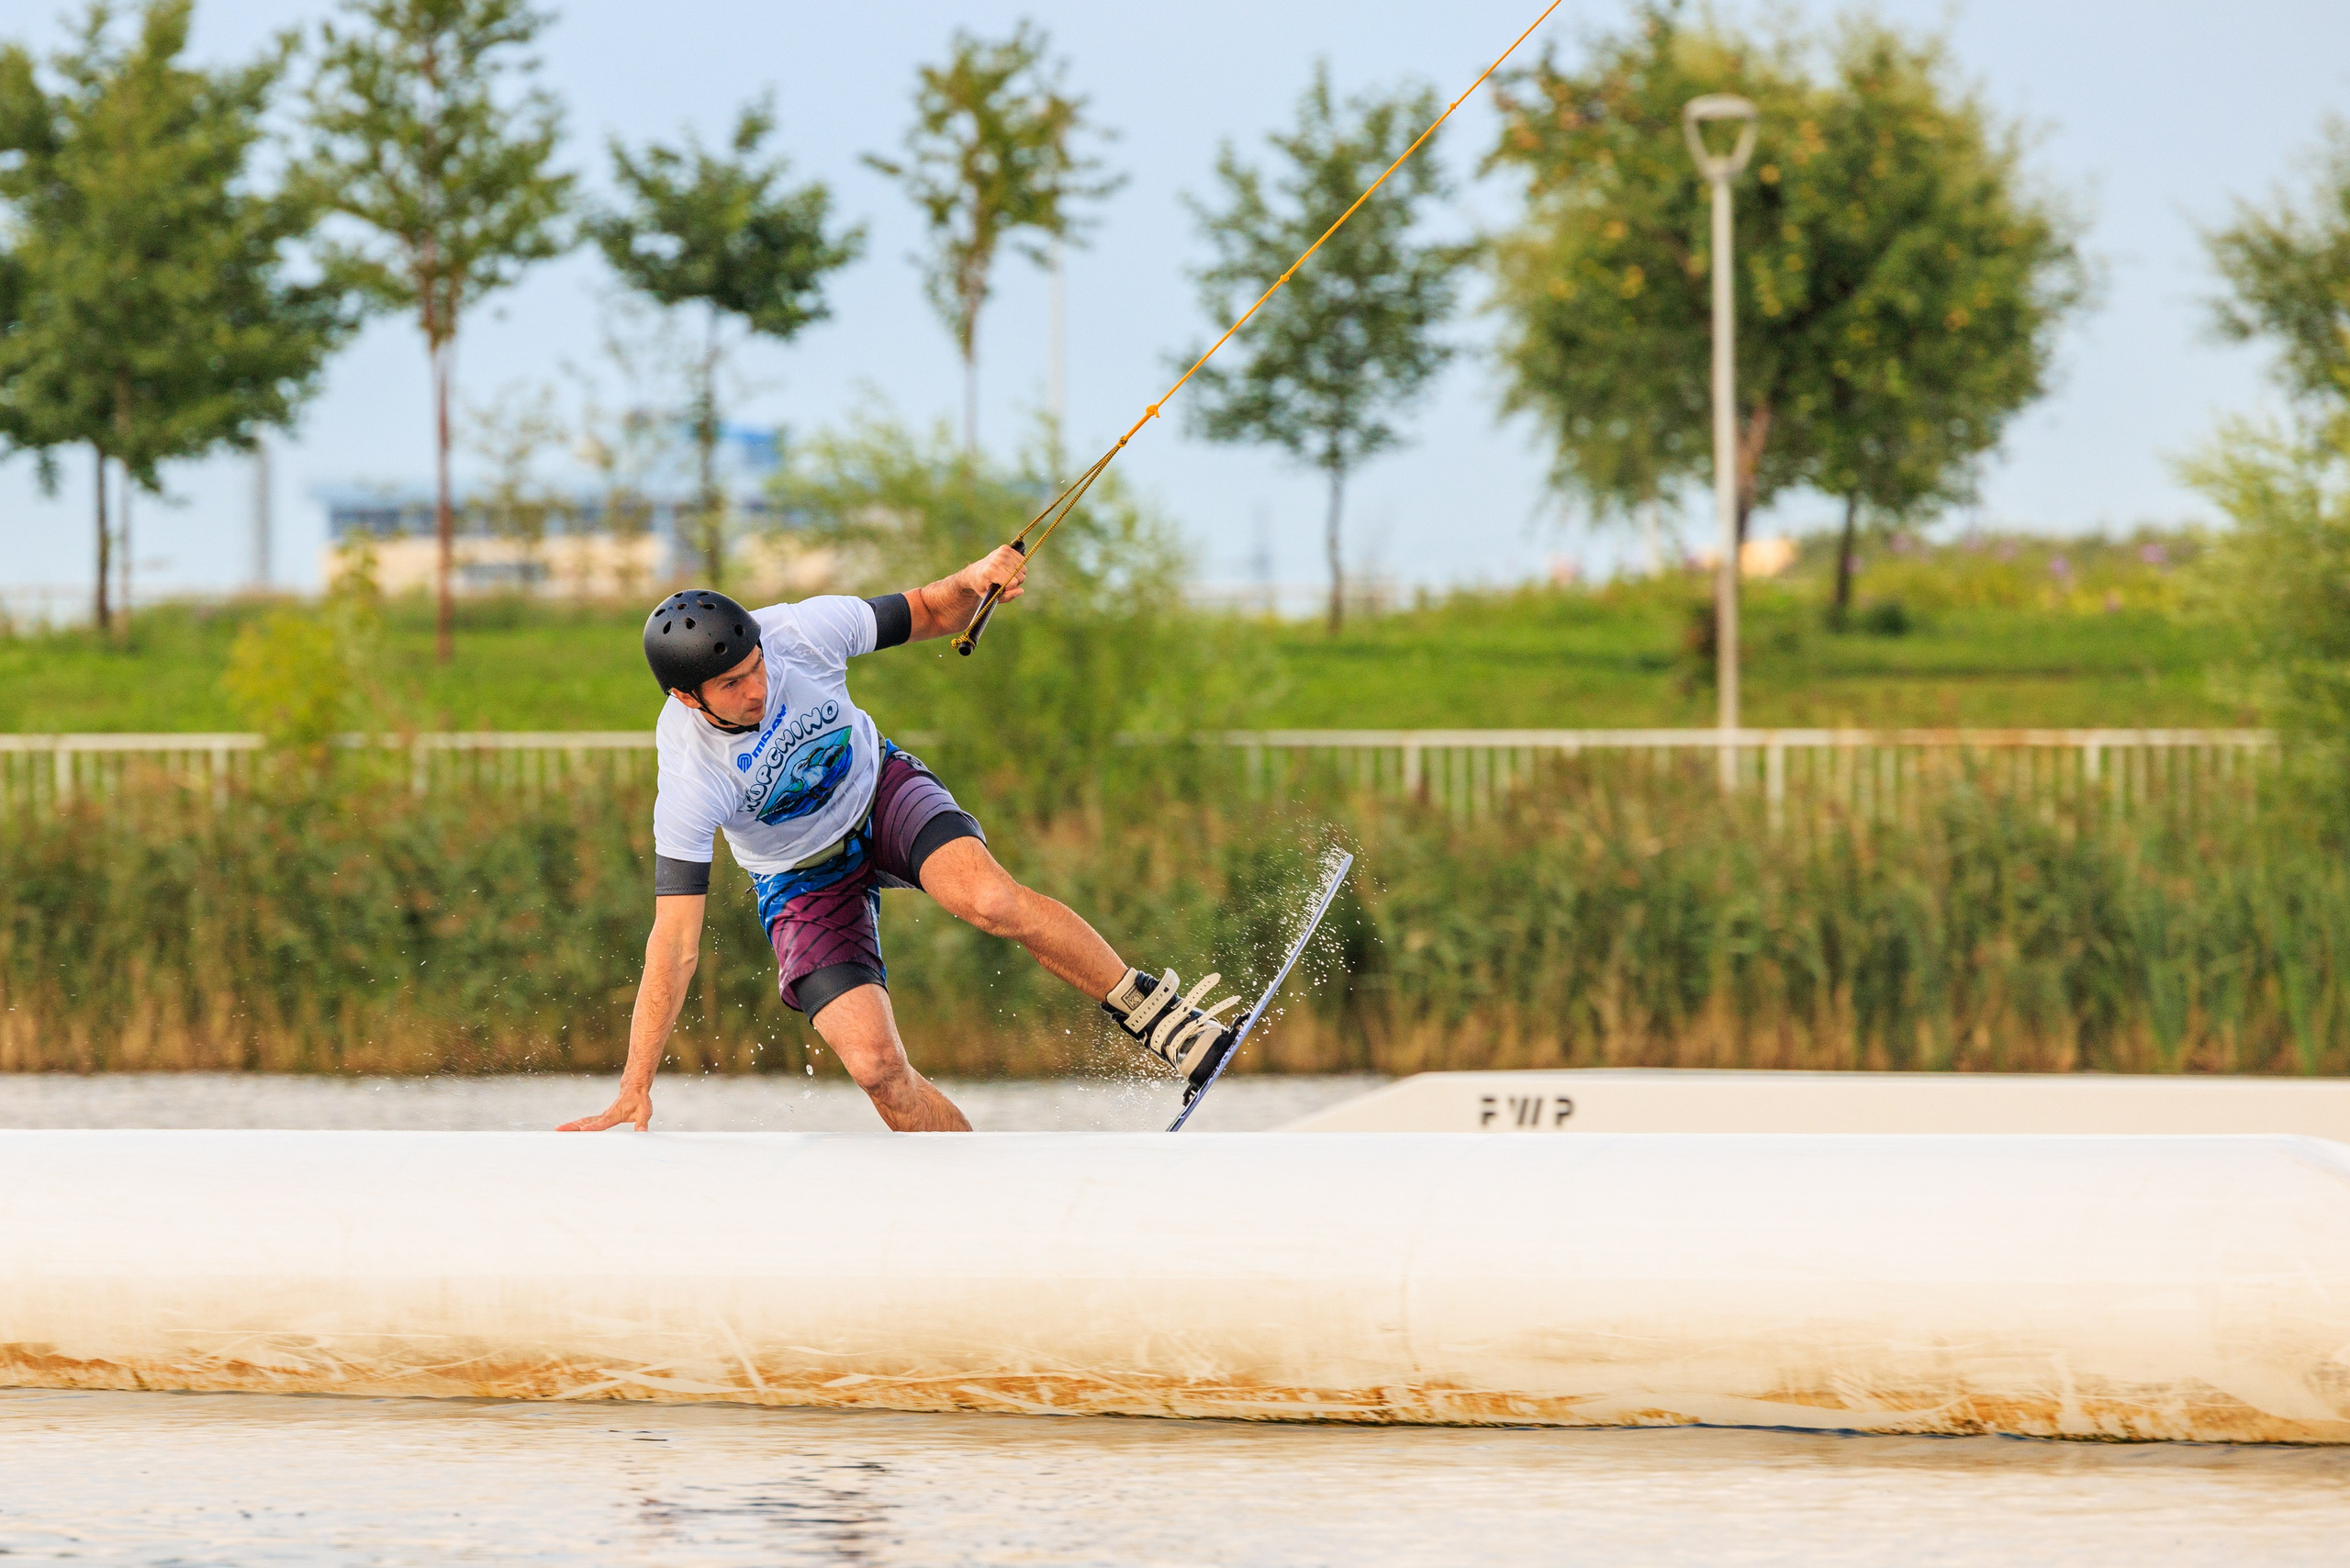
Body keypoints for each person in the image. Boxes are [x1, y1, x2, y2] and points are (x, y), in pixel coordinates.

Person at [561, 547, 1240, 1133]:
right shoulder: (687, 774)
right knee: (877, 1069)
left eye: (756, 666)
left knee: (989, 901)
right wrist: (635, 1085)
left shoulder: (801, 630)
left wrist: (975, 579)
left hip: (879, 792)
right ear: (688, 699)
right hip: (798, 876)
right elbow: (674, 944)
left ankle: (1167, 1023)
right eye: (732, 685)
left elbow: (934, 610)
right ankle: (973, 1199)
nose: (758, 689)